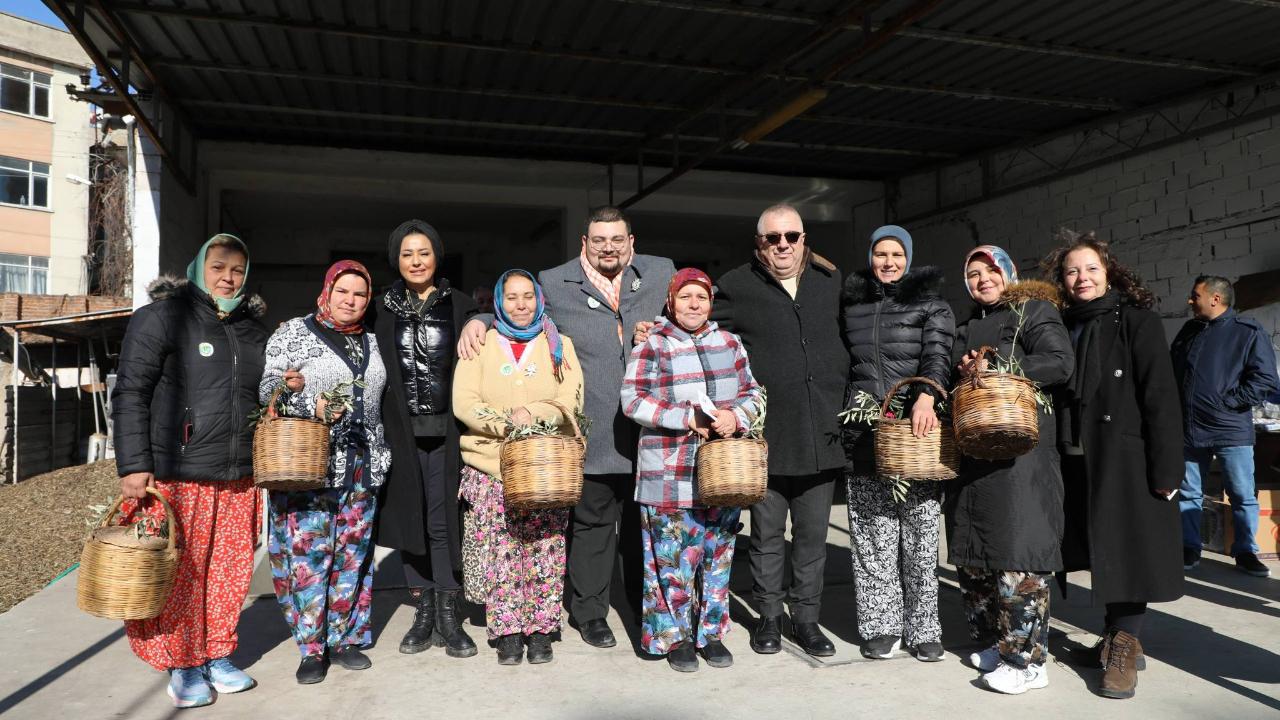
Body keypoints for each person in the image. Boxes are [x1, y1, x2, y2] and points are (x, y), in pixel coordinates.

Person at [458, 206, 674, 649]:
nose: (608, 248)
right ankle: (591, 613)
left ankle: (642, 606)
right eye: (599, 240)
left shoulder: (660, 272)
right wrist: (478, 320)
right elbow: (519, 313)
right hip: (591, 428)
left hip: (652, 428)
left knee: (642, 527)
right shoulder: (555, 281)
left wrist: (662, 328)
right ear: (584, 244)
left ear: (632, 242)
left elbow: (694, 308)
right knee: (592, 526)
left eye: (617, 240)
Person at [111, 233, 268, 709]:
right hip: (179, 468)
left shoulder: (253, 329)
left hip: (238, 472)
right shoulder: (162, 317)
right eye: (219, 267)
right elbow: (131, 393)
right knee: (182, 571)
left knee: (229, 569)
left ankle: (216, 654)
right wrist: (135, 464)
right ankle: (182, 661)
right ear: (199, 267)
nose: (228, 277)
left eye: (238, 270)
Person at [1042, 232, 1183, 700]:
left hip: (1124, 458)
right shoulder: (1063, 323)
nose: (1081, 279)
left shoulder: (1137, 322)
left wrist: (1168, 471)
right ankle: (1111, 636)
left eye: (1090, 270)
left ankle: (1125, 646)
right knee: (1102, 551)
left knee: (1126, 551)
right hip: (1075, 457)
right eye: (1072, 271)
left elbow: (1161, 397)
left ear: (1109, 273)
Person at [710, 203, 849, 658]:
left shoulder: (832, 283)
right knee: (767, 538)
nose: (783, 245)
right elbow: (700, 331)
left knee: (812, 540)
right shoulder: (734, 285)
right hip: (765, 439)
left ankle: (806, 621)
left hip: (821, 434)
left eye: (791, 236)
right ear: (759, 244)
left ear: (804, 239)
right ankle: (769, 617)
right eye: (773, 238)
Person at [621, 268, 763, 672]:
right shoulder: (654, 345)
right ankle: (674, 638)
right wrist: (686, 418)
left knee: (717, 557)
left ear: (711, 303)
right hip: (667, 473)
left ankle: (711, 634)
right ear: (671, 302)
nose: (694, 304)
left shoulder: (729, 343)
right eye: (686, 297)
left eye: (701, 297)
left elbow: (753, 391)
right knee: (670, 561)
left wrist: (736, 417)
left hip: (723, 472)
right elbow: (632, 400)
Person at [947, 245, 1073, 695]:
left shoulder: (1032, 311)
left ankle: (1028, 659)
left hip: (1022, 452)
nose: (982, 280)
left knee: (1020, 552)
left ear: (1008, 271)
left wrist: (1002, 365)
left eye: (990, 270)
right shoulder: (964, 329)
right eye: (973, 274)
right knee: (977, 553)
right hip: (976, 449)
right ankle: (996, 642)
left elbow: (1060, 362)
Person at [260, 260, 391, 684]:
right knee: (309, 559)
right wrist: (305, 403)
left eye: (359, 294)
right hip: (309, 467)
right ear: (327, 292)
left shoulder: (374, 341)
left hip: (362, 467)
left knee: (353, 557)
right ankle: (312, 647)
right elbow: (266, 391)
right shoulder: (293, 332)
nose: (351, 301)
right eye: (343, 292)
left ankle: (346, 638)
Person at [452, 270, 584, 665]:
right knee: (502, 552)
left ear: (540, 300)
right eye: (512, 297)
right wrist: (508, 422)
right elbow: (464, 401)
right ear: (498, 302)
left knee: (546, 549)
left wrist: (536, 414)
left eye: (528, 296)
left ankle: (541, 630)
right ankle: (508, 631)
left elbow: (571, 398)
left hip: (544, 466)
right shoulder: (480, 344)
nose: (521, 305)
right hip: (491, 465)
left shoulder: (560, 345)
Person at [840, 224, 954, 662]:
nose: (888, 263)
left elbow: (938, 356)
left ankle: (924, 626)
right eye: (880, 254)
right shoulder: (852, 304)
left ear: (908, 258)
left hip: (915, 434)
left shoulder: (931, 304)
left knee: (921, 535)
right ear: (870, 257)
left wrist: (927, 395)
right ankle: (880, 626)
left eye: (897, 255)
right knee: (872, 534)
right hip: (865, 432)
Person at [372, 220, 478, 658]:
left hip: (446, 433)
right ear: (396, 260)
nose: (416, 261)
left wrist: (483, 318)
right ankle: (424, 611)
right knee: (410, 520)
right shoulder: (379, 310)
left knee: (442, 520)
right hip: (400, 432)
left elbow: (489, 324)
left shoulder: (461, 305)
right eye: (407, 254)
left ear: (437, 257)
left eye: (424, 253)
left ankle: (449, 612)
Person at [1172, 275, 1280, 577]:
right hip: (1190, 428)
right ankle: (1189, 547)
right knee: (1189, 491)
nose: (1190, 301)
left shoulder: (1247, 332)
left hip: (1230, 428)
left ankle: (1246, 552)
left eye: (1196, 295)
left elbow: (1265, 379)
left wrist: (1228, 403)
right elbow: (1172, 372)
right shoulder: (1190, 331)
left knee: (1242, 493)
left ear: (1215, 299)